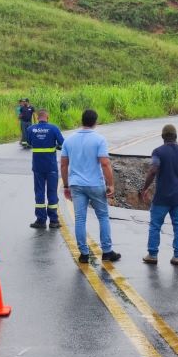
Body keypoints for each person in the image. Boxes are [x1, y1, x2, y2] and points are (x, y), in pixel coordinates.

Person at [61, 109, 120, 263]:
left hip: (76, 185)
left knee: (80, 219)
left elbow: (63, 164)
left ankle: (84, 254)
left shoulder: (69, 140)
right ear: (95, 122)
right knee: (102, 216)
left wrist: (66, 185)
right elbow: (105, 163)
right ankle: (107, 251)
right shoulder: (99, 140)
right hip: (95, 184)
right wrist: (111, 184)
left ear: (82, 121)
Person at [139, 124, 178, 266]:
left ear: (163, 137)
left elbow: (153, 170)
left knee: (155, 225)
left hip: (162, 197)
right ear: (176, 136)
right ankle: (177, 256)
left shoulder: (158, 151)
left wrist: (145, 188)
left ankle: (152, 254)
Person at [27, 109, 65, 229]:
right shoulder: (54, 128)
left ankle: (41, 220)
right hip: (51, 166)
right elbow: (62, 144)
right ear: (47, 117)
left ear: (38, 117)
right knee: (52, 192)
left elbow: (29, 142)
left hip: (38, 166)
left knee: (39, 192)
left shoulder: (31, 129)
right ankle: (54, 220)